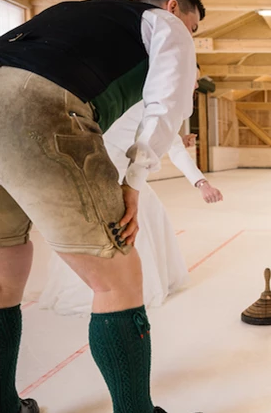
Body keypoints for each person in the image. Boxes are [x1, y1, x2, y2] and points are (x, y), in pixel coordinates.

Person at [0, 0, 212, 413]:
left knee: (4, 260)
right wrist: (134, 182)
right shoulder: (164, 23)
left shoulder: (76, 13)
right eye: (194, 27)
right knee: (116, 273)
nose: (191, 37)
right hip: (33, 109)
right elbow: (169, 103)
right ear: (176, 7)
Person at [37, 66, 223, 317]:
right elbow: (170, 148)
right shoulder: (165, 102)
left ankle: (107, 285)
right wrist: (202, 183)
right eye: (194, 80)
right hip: (117, 174)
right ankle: (126, 291)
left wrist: (175, 139)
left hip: (100, 167)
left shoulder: (135, 95)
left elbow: (151, 136)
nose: (196, 86)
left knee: (145, 216)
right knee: (134, 224)